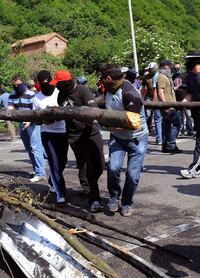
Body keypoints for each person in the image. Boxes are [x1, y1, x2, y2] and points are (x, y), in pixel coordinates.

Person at [98, 64, 148, 216]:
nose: (99, 81)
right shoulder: (109, 89)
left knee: (132, 175)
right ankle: (114, 197)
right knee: (113, 168)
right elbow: (100, 102)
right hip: (118, 138)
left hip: (136, 139)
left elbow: (132, 124)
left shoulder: (129, 94)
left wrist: (105, 127)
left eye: (102, 78)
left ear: (108, 78)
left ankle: (126, 202)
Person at [53, 70, 105, 212]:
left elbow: (93, 110)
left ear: (66, 83)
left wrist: (82, 115)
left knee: (99, 164)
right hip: (74, 135)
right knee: (88, 165)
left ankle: (86, 181)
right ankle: (94, 197)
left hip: (91, 132)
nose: (56, 86)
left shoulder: (83, 91)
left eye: (58, 83)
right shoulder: (60, 95)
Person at [33, 70, 68, 204]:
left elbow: (67, 111)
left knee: (62, 161)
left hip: (62, 131)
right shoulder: (37, 99)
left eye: (48, 81)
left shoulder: (59, 93)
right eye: (43, 82)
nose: (46, 84)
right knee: (54, 163)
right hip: (47, 133)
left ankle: (52, 180)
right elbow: (36, 118)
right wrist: (44, 120)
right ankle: (61, 193)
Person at [8, 74, 46, 182]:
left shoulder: (31, 95)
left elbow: (35, 110)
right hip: (21, 123)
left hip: (33, 123)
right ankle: (35, 169)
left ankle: (41, 173)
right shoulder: (12, 95)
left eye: (18, 84)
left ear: (23, 83)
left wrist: (29, 121)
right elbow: (10, 108)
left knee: (35, 147)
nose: (16, 86)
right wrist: (9, 114)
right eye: (14, 85)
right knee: (29, 148)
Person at [157, 59, 182, 153]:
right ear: (166, 67)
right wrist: (166, 105)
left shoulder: (166, 77)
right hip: (168, 106)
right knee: (177, 123)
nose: (171, 68)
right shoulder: (162, 77)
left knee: (167, 126)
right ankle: (171, 145)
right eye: (169, 67)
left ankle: (165, 146)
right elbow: (160, 91)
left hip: (169, 105)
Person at [145, 62, 162, 145]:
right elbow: (144, 89)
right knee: (149, 115)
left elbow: (158, 91)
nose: (150, 70)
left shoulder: (158, 76)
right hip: (149, 98)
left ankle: (160, 138)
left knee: (158, 119)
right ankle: (159, 137)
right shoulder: (147, 77)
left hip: (157, 99)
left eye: (151, 69)